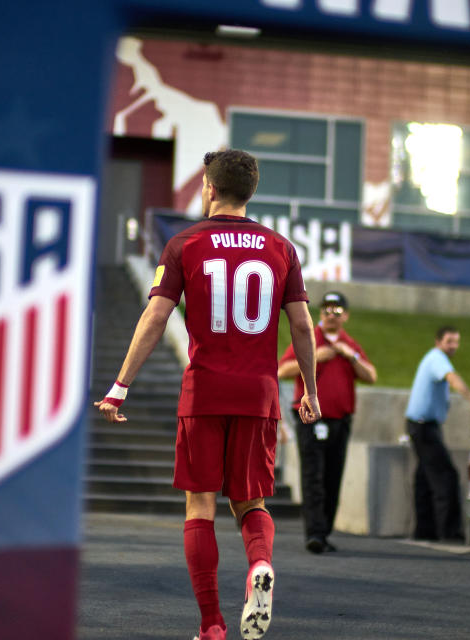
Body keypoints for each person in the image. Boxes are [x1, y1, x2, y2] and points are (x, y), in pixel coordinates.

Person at [95, 149, 321, 640]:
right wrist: (310, 390)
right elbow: (302, 324)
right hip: (258, 395)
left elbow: (156, 317)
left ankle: (212, 626)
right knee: (251, 501)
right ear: (250, 192)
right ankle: (260, 563)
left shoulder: (185, 243)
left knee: (201, 505)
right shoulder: (281, 248)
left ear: (211, 188)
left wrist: (120, 386)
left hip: (204, 392)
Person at [278, 291, 377, 554]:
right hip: (309, 419)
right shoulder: (310, 339)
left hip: (340, 420)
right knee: (313, 476)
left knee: (334, 477)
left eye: (336, 311)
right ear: (320, 313)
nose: (331, 315)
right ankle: (314, 533)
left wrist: (350, 356)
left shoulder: (350, 344)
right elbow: (281, 370)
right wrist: (314, 357)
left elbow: (371, 376)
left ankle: (325, 531)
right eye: (326, 310)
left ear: (345, 315)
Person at [405, 326, 470, 542]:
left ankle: (425, 530)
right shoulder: (438, 359)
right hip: (424, 427)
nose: (453, 346)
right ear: (438, 342)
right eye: (449, 341)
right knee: (446, 477)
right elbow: (452, 378)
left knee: (425, 478)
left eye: (456, 341)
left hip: (422, 426)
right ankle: (450, 533)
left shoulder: (434, 358)